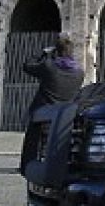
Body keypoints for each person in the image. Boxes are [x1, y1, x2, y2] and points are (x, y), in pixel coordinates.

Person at [18, 36, 84, 172]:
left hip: (43, 111)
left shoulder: (49, 66)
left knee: (32, 141)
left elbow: (27, 66)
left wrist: (43, 54)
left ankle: (27, 166)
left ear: (57, 50)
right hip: (65, 113)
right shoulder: (79, 72)